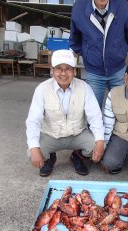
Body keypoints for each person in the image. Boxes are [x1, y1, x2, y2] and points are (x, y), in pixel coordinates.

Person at [26, 49, 104, 177]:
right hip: (50, 135)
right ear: (52, 70)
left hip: (78, 134)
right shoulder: (42, 89)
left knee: (99, 146)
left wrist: (100, 142)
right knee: (31, 152)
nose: (63, 73)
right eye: (58, 68)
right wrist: (34, 148)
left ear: (74, 71)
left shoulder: (84, 87)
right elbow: (33, 120)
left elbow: (95, 116)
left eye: (68, 69)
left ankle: (77, 156)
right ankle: (50, 158)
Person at [70, 0, 128, 108]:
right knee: (93, 111)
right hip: (94, 72)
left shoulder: (122, 5)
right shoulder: (79, 7)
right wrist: (88, 54)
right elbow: (74, 40)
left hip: (118, 70)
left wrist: (120, 53)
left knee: (121, 111)